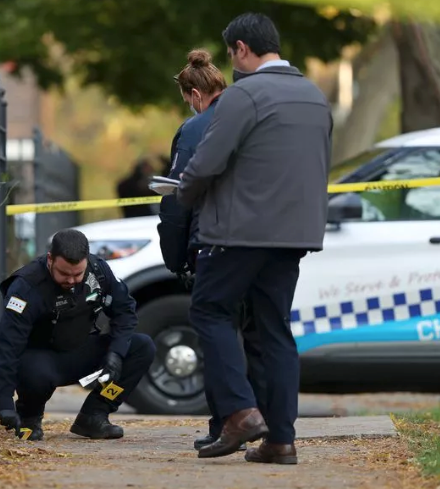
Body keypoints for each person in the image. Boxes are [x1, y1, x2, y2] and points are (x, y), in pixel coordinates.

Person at [177, 13, 333, 464]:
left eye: (231, 54)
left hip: (240, 231)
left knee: (209, 310)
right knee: (274, 329)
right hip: (295, 234)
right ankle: (281, 440)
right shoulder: (314, 97)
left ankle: (240, 413)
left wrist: (184, 195)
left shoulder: (244, 94)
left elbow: (205, 164)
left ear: (242, 49)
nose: (233, 62)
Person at [157, 48, 267, 453]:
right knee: (256, 333)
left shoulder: (195, 128)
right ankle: (266, 420)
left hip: (214, 240)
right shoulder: (254, 118)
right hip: (264, 240)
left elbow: (178, 199)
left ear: (194, 95)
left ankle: (228, 420)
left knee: (216, 329)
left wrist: (175, 255)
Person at [0, 229, 156, 440]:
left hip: (80, 349)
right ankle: (29, 416)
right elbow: (8, 345)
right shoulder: (26, 287)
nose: (71, 280)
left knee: (141, 347)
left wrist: (116, 353)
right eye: (64, 274)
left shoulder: (98, 271)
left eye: (77, 274)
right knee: (33, 371)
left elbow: (125, 312)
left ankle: (95, 414)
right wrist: (3, 403)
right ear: (50, 259)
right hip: (41, 359)